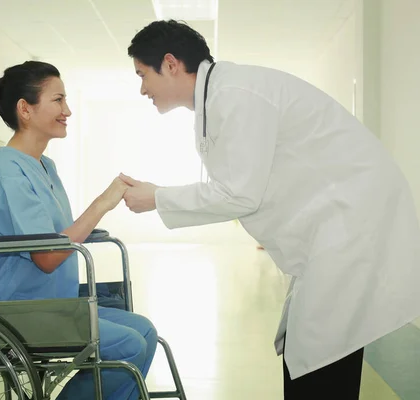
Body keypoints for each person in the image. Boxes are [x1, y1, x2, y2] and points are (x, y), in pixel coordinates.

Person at [119, 19, 420, 399]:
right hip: (336, 231)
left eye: (142, 74)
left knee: (320, 350)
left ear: (171, 63)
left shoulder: (237, 94)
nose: (142, 88)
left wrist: (156, 197)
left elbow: (240, 194)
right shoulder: (222, 96)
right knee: (316, 347)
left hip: (350, 228)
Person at [0, 61, 157, 400]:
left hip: (51, 303)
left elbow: (58, 237)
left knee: (144, 330)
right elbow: (49, 255)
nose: (67, 110)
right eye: (58, 100)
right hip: (16, 309)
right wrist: (101, 204)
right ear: (25, 109)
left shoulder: (43, 165)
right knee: (128, 345)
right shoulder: (7, 169)